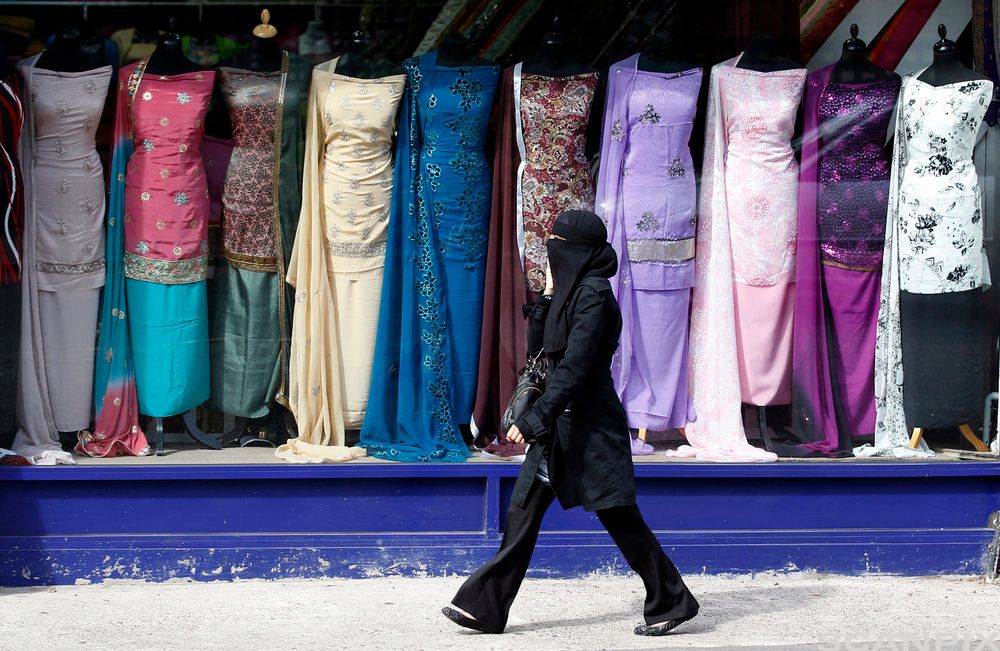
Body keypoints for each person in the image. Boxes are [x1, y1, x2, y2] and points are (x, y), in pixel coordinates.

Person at [441, 210, 699, 636]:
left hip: (591, 427)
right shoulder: (572, 290)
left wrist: (534, 419)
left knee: (621, 517)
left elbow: (575, 369)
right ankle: (485, 607)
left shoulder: (595, 296)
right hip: (558, 429)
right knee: (521, 513)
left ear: (578, 251)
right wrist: (546, 297)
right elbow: (541, 357)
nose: (552, 252)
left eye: (558, 245)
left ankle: (672, 599)